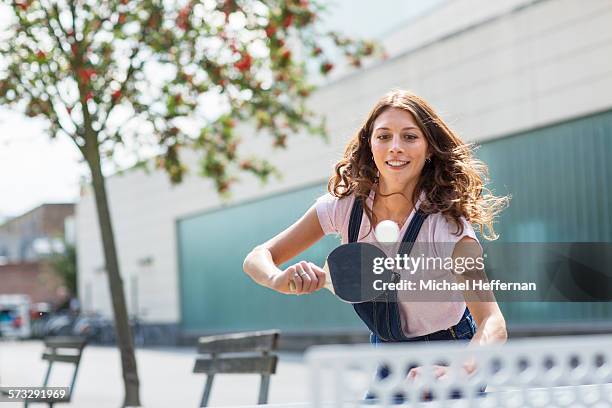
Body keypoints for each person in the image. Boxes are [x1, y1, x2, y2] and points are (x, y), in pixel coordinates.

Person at [243, 89, 509, 397]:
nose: (395, 147)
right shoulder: (342, 209)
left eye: (410, 137)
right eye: (384, 136)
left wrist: (458, 369)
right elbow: (257, 257)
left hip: (449, 349)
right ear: (370, 145)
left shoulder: (447, 227)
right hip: (388, 352)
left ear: (429, 149)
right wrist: (278, 278)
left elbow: (492, 320)